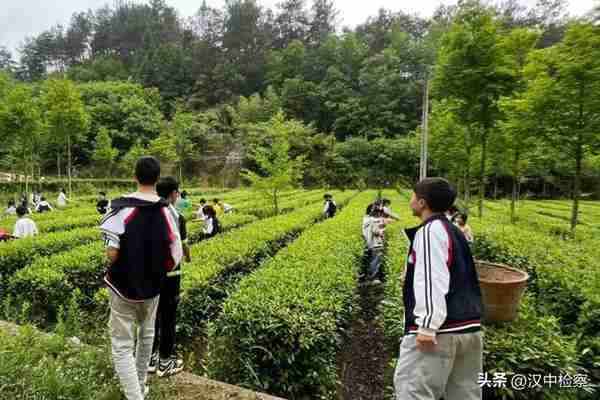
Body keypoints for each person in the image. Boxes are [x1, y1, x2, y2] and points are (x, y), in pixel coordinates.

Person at [99, 156, 182, 400]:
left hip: (122, 287)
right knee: (146, 336)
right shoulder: (167, 211)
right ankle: (141, 385)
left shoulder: (121, 207)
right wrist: (156, 271)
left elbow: (112, 252)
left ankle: (135, 396)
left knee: (122, 345)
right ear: (157, 179)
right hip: (153, 289)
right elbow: (175, 254)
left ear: (134, 177)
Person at [394, 178, 483, 400]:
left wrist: (427, 325)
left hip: (438, 332)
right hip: (468, 329)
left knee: (414, 392)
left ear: (422, 203)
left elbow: (432, 278)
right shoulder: (453, 230)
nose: (411, 199)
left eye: (413, 195)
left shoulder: (430, 231)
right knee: (464, 393)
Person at [150, 176, 191, 378]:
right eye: (177, 192)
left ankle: (150, 359)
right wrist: (188, 256)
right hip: (170, 275)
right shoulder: (176, 216)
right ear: (174, 193)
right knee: (168, 317)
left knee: (151, 316)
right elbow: (183, 247)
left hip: (149, 274)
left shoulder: (147, 212)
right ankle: (165, 361)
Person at [364, 205, 390, 284]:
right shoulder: (374, 221)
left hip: (372, 243)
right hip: (376, 243)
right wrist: (382, 231)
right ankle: (374, 278)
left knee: (374, 259)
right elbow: (376, 231)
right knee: (375, 261)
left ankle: (373, 276)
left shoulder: (368, 219)